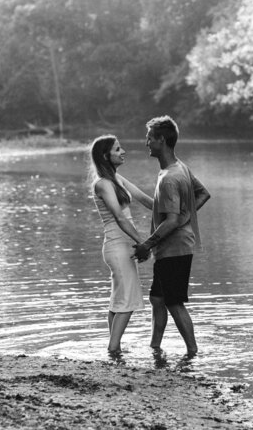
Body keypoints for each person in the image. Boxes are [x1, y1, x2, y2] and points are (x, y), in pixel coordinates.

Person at [133, 116, 210, 357]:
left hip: (175, 249)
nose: (146, 143)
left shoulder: (169, 177)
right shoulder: (179, 168)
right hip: (171, 248)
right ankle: (155, 347)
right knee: (157, 298)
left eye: (150, 138)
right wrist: (185, 217)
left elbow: (173, 219)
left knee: (174, 302)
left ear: (162, 141)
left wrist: (146, 245)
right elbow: (203, 194)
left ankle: (192, 352)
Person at [88, 135, 153, 356]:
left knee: (118, 299)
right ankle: (113, 348)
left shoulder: (115, 178)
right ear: (105, 156)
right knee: (128, 299)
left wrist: (175, 210)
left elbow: (144, 199)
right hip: (117, 246)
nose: (123, 151)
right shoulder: (103, 184)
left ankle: (114, 346)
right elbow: (119, 217)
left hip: (123, 245)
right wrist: (143, 243)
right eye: (117, 149)